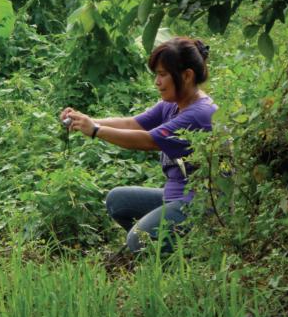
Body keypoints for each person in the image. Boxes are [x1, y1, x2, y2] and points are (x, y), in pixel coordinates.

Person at [60, 37, 218, 253]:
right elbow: (133, 123)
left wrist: (96, 130)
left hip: (199, 207)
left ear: (187, 76)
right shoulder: (172, 105)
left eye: (162, 75)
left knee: (137, 238)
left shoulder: (199, 114)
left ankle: (184, 252)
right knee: (118, 200)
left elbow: (149, 140)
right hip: (172, 198)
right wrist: (86, 120)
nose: (157, 82)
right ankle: (164, 244)